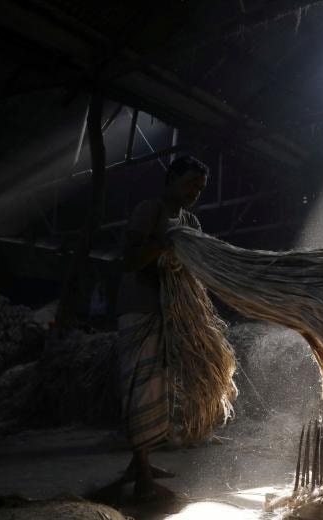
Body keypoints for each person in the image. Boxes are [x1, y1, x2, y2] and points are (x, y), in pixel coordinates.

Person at [115, 156, 208, 501]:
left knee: (159, 390)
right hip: (139, 309)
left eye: (199, 188)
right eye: (189, 184)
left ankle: (138, 465)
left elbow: (194, 264)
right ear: (170, 179)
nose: (194, 192)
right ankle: (142, 480)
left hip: (170, 314)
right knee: (141, 388)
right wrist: (168, 243)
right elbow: (130, 260)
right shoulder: (150, 210)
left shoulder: (191, 220)